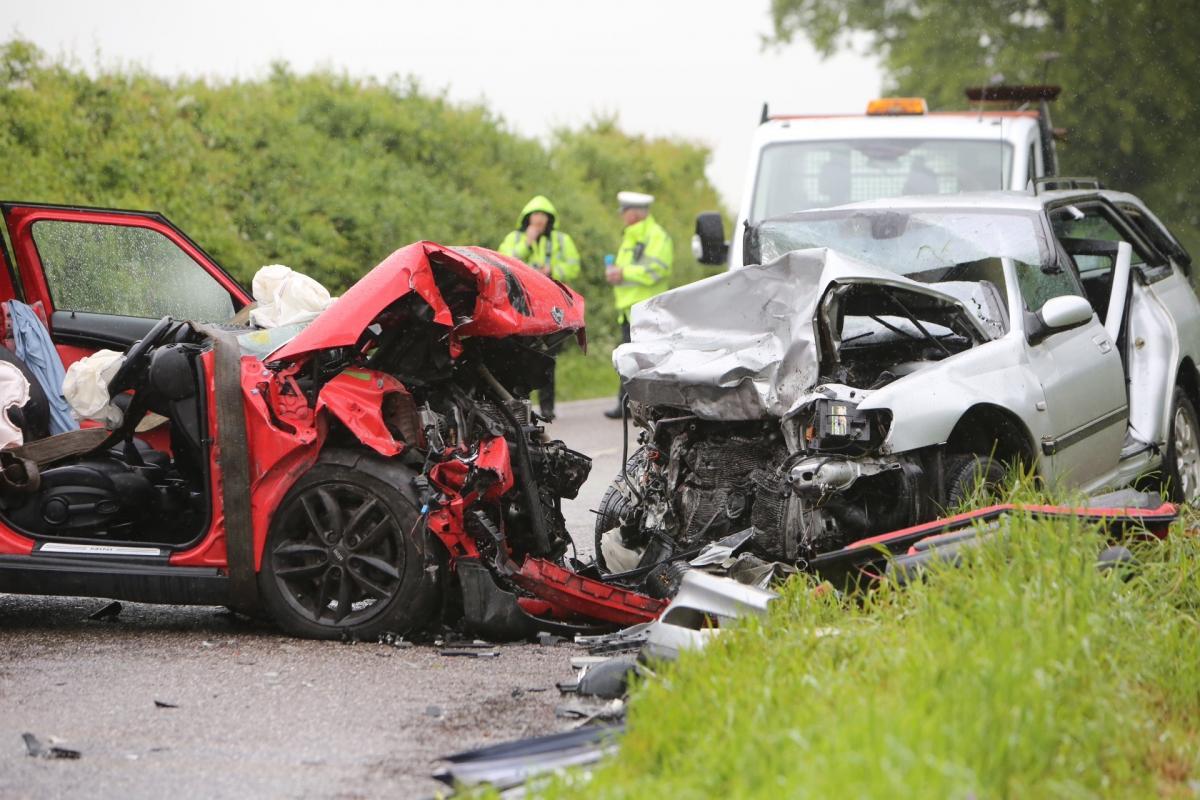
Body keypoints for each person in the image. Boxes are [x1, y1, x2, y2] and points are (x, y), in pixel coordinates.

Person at [498, 195, 581, 421]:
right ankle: (522, 406)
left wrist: (553, 269)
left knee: (547, 357)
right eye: (536, 215)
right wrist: (527, 242)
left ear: (550, 219)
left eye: (544, 215)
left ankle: (547, 408)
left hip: (551, 305)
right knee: (520, 356)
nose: (540, 219)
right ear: (527, 218)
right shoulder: (514, 239)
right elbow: (504, 263)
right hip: (522, 306)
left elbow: (574, 267)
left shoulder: (562, 240)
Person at [604, 191, 673, 419]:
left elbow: (657, 270)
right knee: (629, 360)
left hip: (648, 310)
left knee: (647, 362)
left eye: (624, 212)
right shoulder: (631, 237)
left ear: (633, 213)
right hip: (628, 311)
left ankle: (651, 408)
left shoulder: (656, 236)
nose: (622, 216)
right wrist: (616, 275)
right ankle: (625, 405)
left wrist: (623, 273)